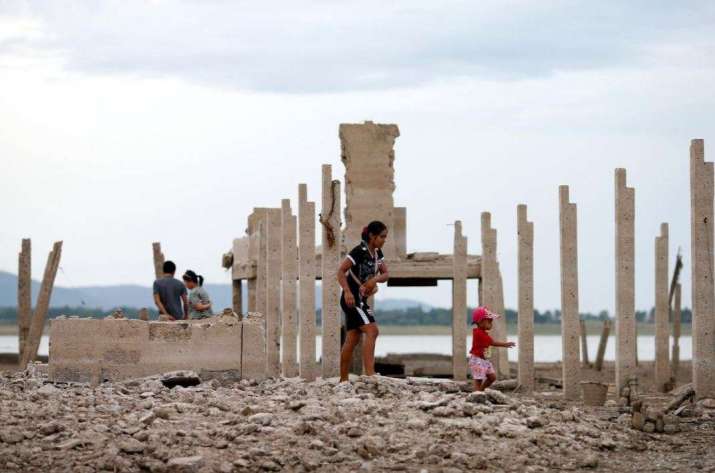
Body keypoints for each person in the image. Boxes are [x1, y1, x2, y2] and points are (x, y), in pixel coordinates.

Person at [337, 221, 390, 382]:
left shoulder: (377, 254)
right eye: (382, 237)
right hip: (352, 299)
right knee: (372, 331)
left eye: (385, 237)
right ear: (372, 236)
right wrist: (346, 291)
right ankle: (370, 374)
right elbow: (340, 271)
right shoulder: (358, 251)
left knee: (352, 339)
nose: (384, 240)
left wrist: (374, 280)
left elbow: (386, 274)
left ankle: (343, 380)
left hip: (361, 300)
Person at [469, 306, 515, 391]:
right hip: (477, 360)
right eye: (489, 321)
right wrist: (505, 344)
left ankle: (480, 391)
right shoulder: (479, 333)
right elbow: (492, 343)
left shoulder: (483, 332)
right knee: (478, 379)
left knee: (492, 377)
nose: (491, 324)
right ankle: (477, 393)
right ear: (480, 322)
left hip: (484, 359)